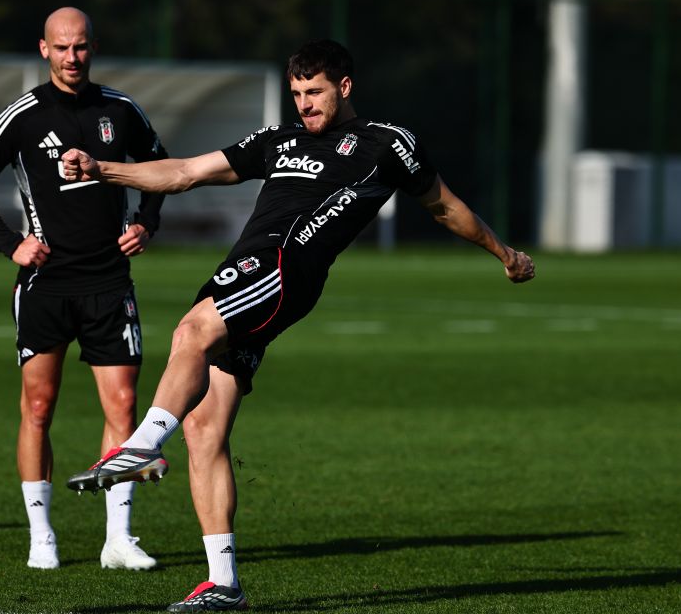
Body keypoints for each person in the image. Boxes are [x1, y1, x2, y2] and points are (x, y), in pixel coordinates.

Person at [62, 39, 536, 610]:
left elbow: (445, 206)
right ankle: (224, 584)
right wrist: (103, 169)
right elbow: (186, 172)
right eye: (297, 93)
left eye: (314, 92)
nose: (305, 103)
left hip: (284, 269)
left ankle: (139, 446)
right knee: (204, 428)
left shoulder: (386, 143)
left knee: (191, 332)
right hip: (247, 272)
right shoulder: (279, 140)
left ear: (345, 87)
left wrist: (503, 252)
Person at [0, 7, 167, 572]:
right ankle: (41, 535)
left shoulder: (120, 110)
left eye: (82, 46)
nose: (73, 57)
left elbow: (161, 167)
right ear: (44, 49)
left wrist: (146, 221)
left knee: (124, 406)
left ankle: (118, 538)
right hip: (45, 284)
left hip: (109, 282)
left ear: (93, 47)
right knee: (38, 406)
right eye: (63, 47)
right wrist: (11, 244)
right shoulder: (22, 115)